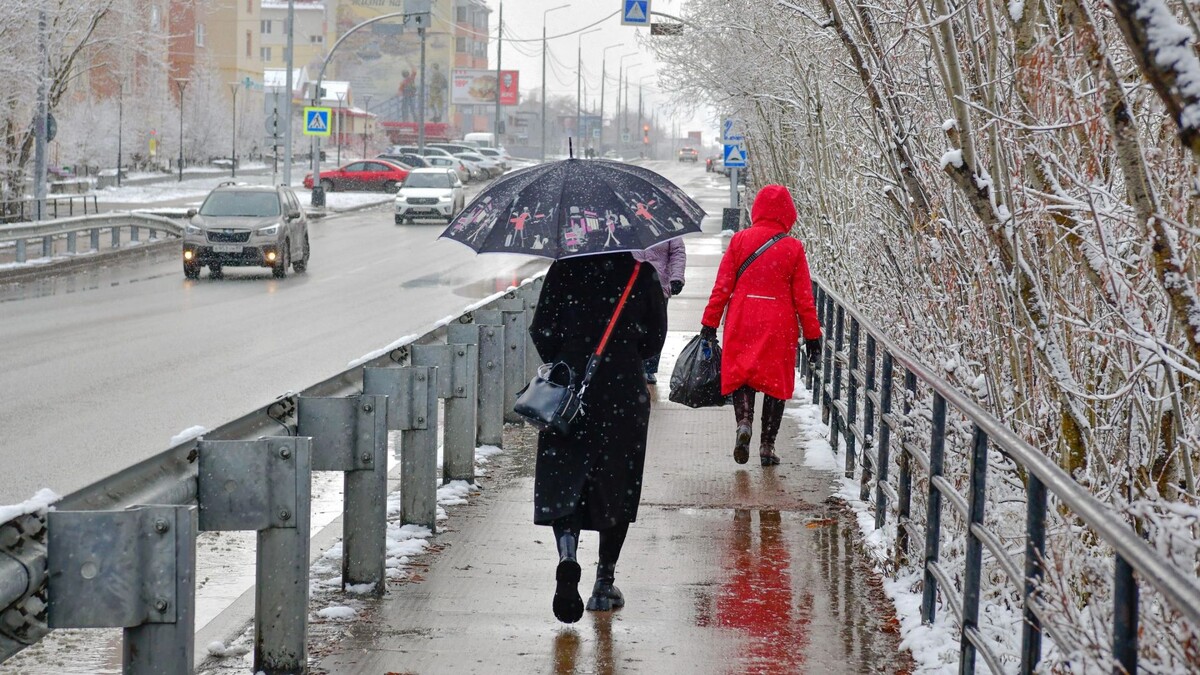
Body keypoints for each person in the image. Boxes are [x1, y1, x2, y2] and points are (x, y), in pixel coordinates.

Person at [529, 252, 668, 623]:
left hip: (570, 391)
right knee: (618, 482)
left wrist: (569, 355)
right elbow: (655, 340)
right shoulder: (641, 274)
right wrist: (622, 352)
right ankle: (604, 583)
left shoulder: (564, 269)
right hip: (623, 390)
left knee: (565, 476)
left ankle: (568, 554)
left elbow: (541, 329)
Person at [700, 184, 822, 466]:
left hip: (743, 317)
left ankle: (744, 422)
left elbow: (722, 286)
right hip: (778, 322)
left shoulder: (739, 240)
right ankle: (767, 446)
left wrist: (709, 322)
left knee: (742, 376)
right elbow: (804, 298)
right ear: (788, 214)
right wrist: (813, 336)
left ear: (757, 209)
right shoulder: (793, 248)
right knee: (775, 384)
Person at [632, 238, 687, 384]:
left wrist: (676, 277)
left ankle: (649, 368)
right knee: (631, 327)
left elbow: (677, 252)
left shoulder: (665, 227)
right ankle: (634, 364)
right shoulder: (624, 225)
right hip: (631, 286)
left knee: (655, 328)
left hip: (658, 287)